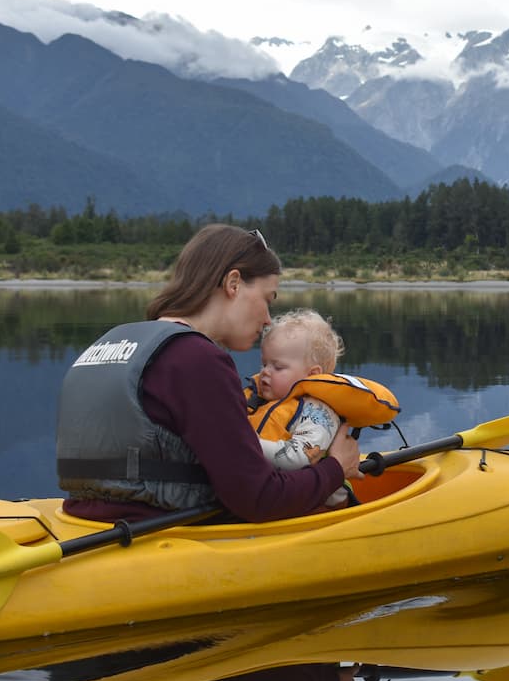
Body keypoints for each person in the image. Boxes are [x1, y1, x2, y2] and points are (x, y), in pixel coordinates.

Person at [56, 224, 362, 523]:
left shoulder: (114, 340)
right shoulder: (197, 359)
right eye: (267, 299)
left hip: (85, 519)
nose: (269, 320)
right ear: (233, 283)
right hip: (152, 529)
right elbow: (259, 499)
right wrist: (335, 468)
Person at [249, 308, 352, 507]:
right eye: (264, 364)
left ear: (311, 375)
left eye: (277, 367)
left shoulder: (317, 411)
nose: (265, 373)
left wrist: (243, 443)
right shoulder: (256, 400)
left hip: (317, 507)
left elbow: (300, 457)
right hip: (269, 493)